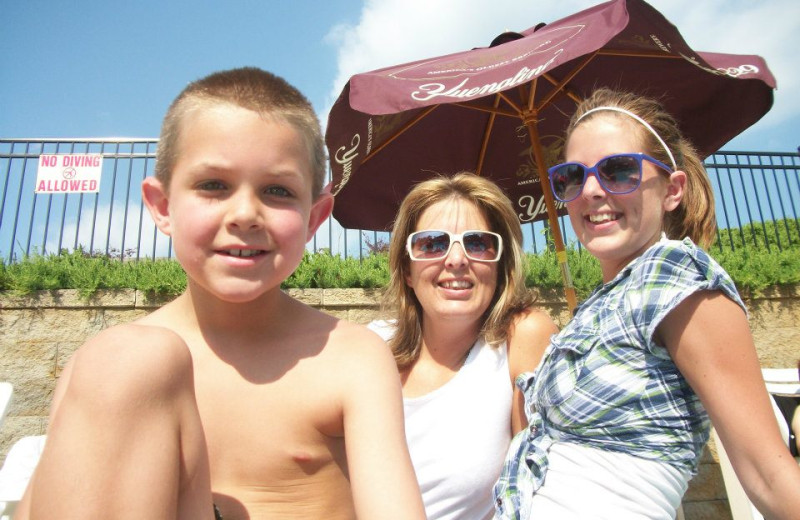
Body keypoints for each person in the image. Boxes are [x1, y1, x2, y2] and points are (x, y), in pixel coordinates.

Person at [16, 67, 425, 520]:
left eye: (277, 190)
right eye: (214, 185)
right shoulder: (109, 371)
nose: (245, 213)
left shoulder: (352, 357)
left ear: (314, 219)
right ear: (163, 206)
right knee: (125, 360)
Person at [493, 88, 800, 519]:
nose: (592, 191)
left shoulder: (674, 274)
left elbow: (768, 475)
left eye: (619, 170)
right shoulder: (613, 298)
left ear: (672, 190)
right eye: (573, 177)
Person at [368, 173, 558, 520]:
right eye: (432, 243)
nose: (456, 259)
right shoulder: (370, 348)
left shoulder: (520, 339)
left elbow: (537, 494)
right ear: (407, 269)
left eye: (478, 243)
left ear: (500, 266)